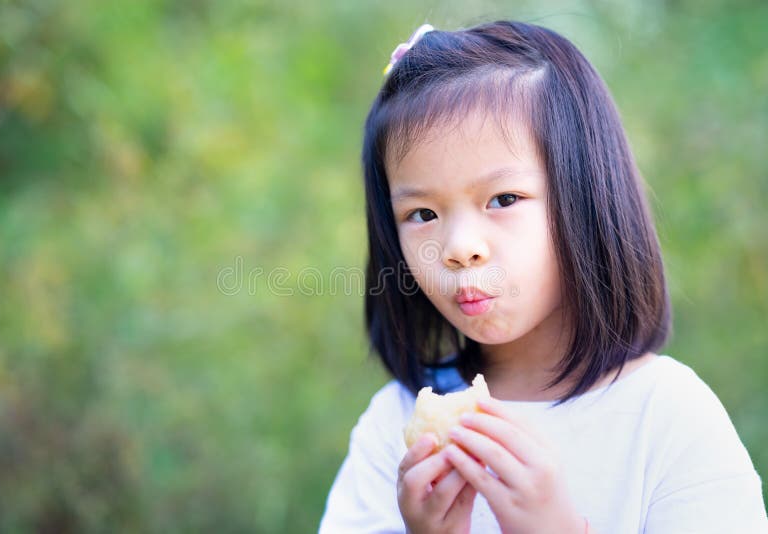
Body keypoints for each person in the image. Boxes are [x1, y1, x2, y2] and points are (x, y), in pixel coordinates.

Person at [319, 20, 768, 533]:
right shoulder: (393, 429)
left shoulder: (667, 418)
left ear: (587, 198)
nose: (460, 249)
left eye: (503, 200)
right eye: (423, 214)